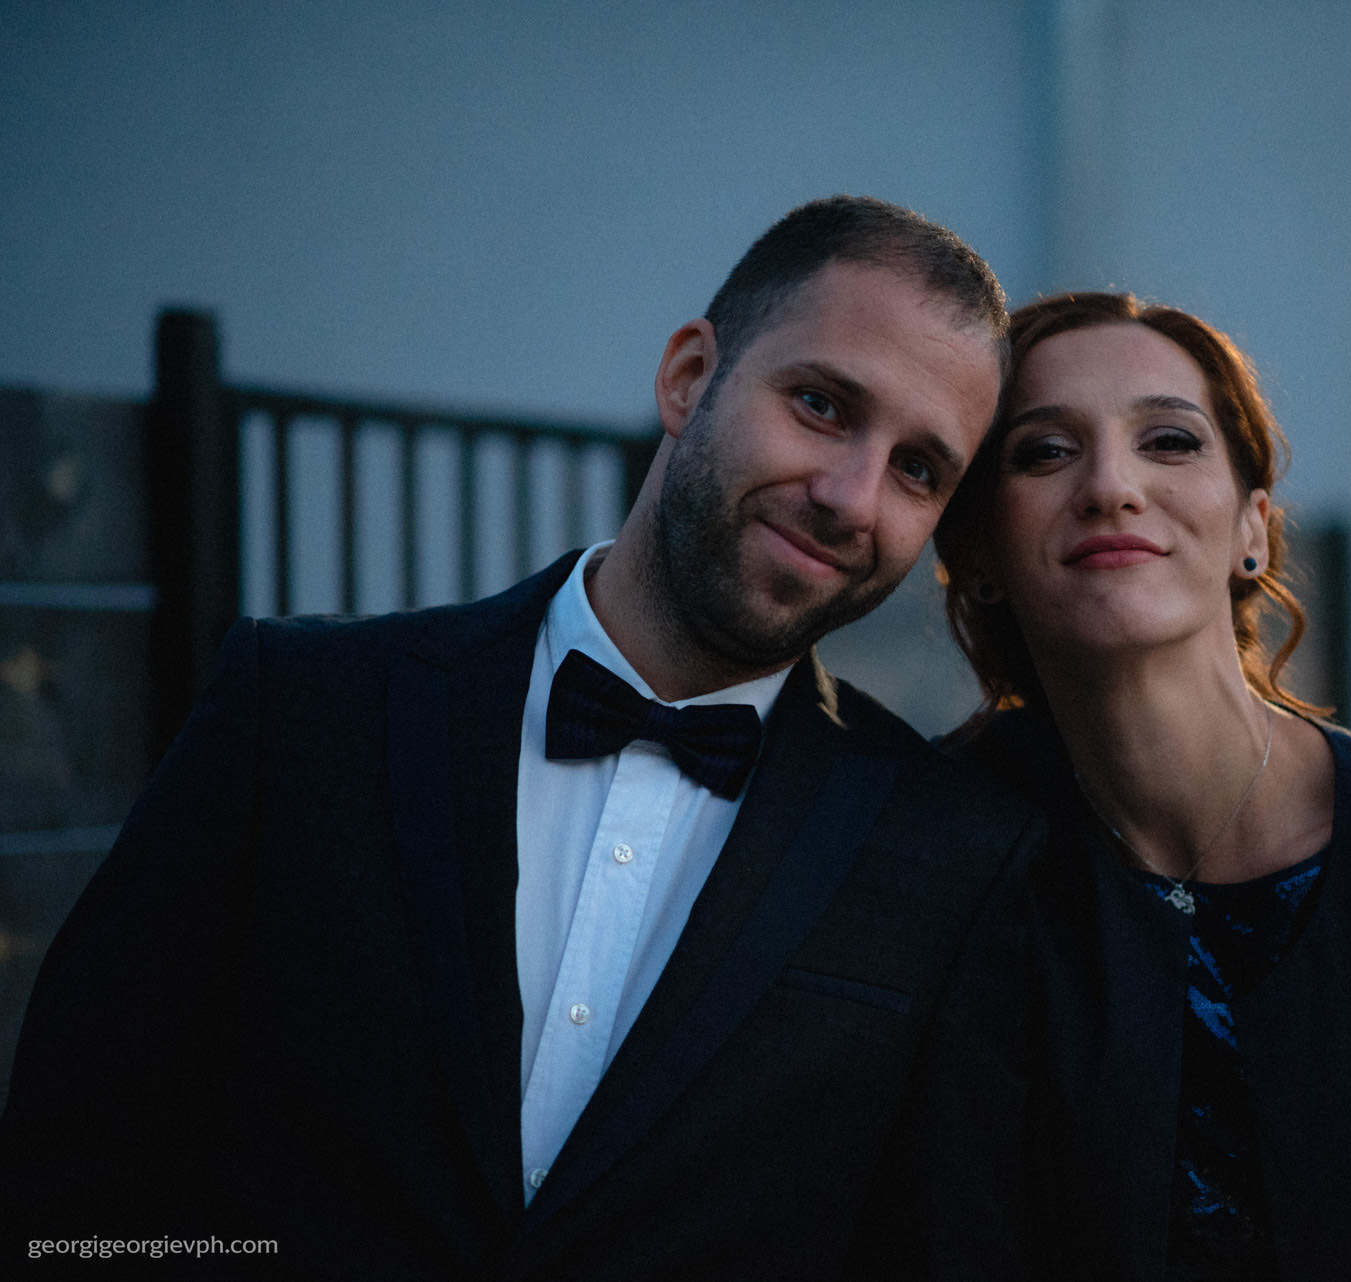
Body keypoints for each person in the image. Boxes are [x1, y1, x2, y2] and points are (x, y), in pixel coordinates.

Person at [0, 196, 1044, 1278]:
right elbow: (71, 1169)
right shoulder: (299, 708)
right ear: (689, 377)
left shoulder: (951, 859)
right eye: (822, 405)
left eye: (918, 469)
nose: (851, 497)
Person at [919, 292, 1351, 1279]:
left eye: (1169, 441)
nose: (1111, 485)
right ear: (978, 552)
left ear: (1254, 525)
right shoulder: (935, 862)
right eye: (1045, 452)